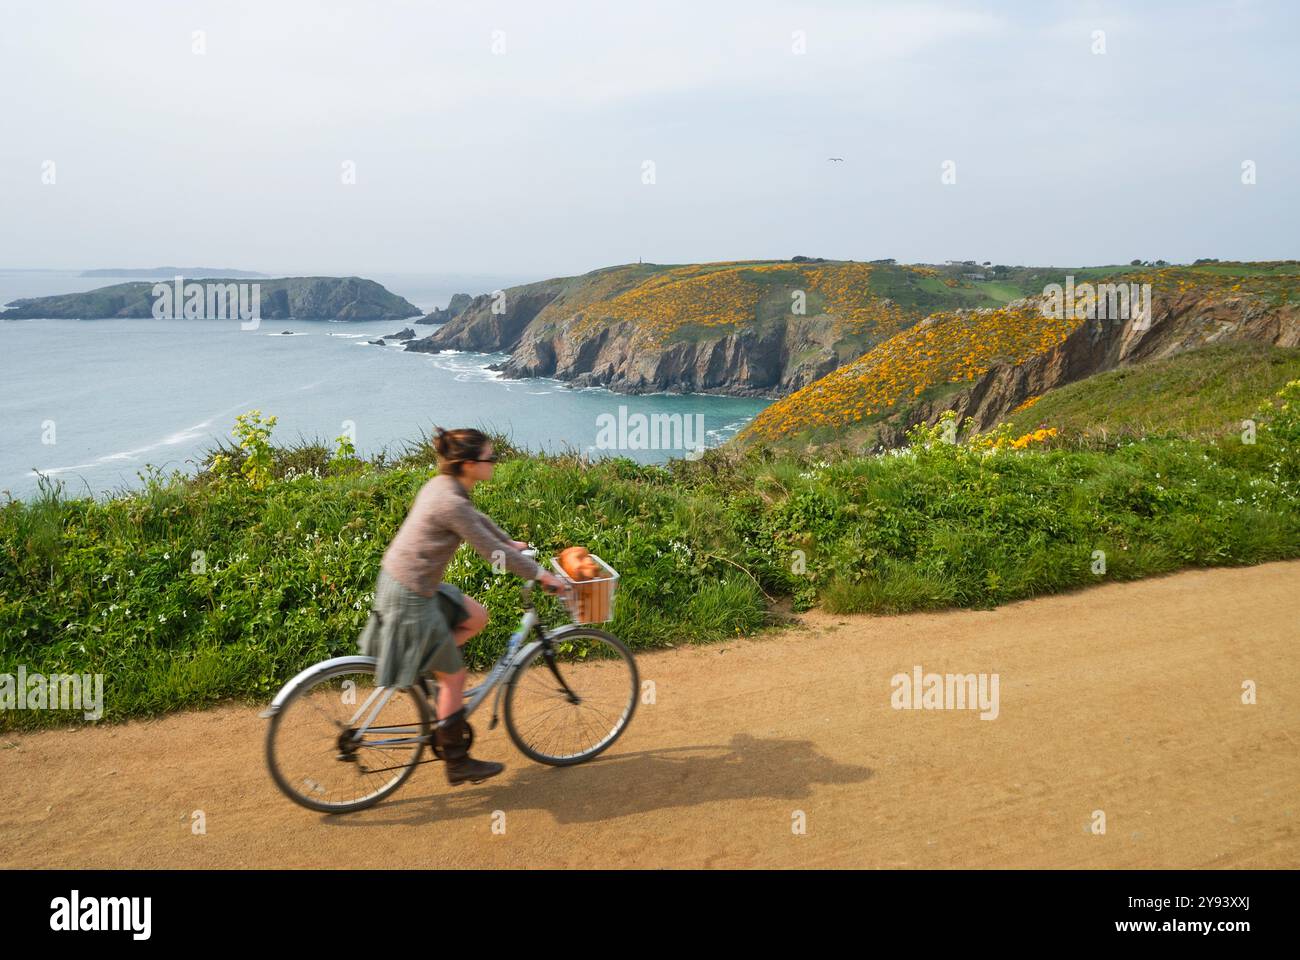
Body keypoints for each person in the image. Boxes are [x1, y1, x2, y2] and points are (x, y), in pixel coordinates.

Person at [364, 426, 567, 785]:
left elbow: (476, 522)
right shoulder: (451, 500)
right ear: (470, 464)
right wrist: (541, 576)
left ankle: (432, 671)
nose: (495, 463)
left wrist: (508, 540)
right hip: (410, 596)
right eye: (491, 458)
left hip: (408, 584)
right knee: (456, 676)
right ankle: (457, 762)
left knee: (476, 616)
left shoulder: (444, 486)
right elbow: (493, 555)